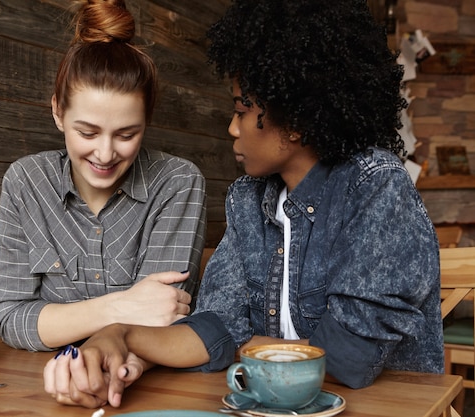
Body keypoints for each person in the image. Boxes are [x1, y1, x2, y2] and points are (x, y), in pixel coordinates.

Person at [43, 0, 445, 409]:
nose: (232, 127)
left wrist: (230, 344)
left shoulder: (375, 186)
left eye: (242, 109)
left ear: (297, 121)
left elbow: (348, 360)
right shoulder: (248, 198)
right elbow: (213, 326)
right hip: (271, 406)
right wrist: (119, 335)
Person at [0, 0, 207, 352]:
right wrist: (117, 306)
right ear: (58, 113)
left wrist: (61, 321)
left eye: (126, 135)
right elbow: (12, 318)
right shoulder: (26, 182)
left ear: (147, 120)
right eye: (88, 133)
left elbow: (161, 316)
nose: (105, 155)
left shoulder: (177, 182)